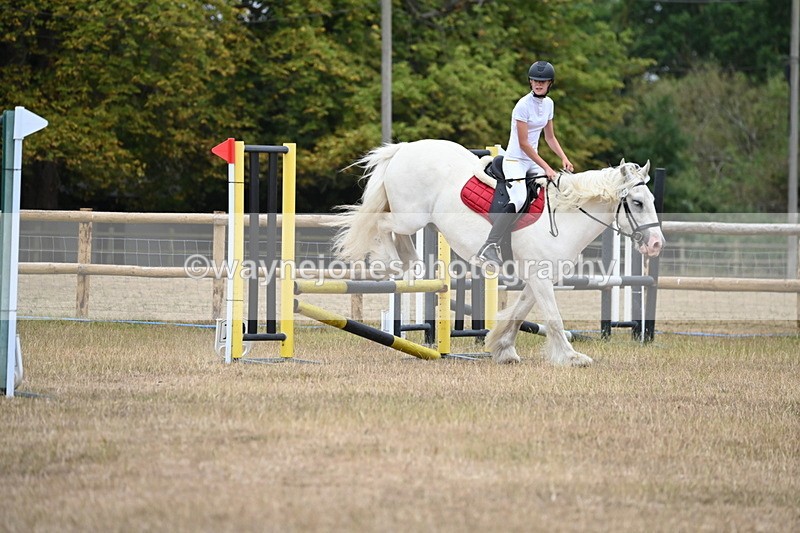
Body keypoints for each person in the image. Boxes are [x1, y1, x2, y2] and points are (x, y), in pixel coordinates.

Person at [474, 60, 574, 269]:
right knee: (519, 198)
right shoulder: (522, 105)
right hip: (515, 160)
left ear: (550, 84)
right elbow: (523, 144)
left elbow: (550, 138)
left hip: (532, 159)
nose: (538, 84)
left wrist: (563, 157)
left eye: (543, 81)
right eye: (535, 81)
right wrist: (546, 166)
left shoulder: (549, 104)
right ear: (530, 81)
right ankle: (489, 245)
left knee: (556, 187)